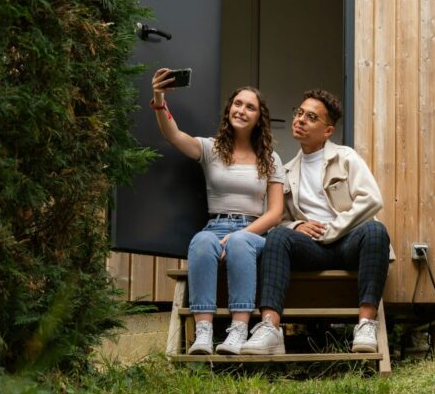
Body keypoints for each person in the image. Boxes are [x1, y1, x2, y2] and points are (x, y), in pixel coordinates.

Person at [241, 89, 390, 356]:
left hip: (347, 243)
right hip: (312, 248)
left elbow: (372, 199)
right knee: (277, 236)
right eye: (299, 113)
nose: (300, 120)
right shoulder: (287, 170)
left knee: (376, 230)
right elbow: (278, 219)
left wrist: (333, 229)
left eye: (311, 117)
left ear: (327, 130)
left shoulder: (345, 157)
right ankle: (270, 329)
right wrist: (295, 227)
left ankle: (366, 325)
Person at [150, 69, 285, 355]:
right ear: (229, 109)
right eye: (238, 104)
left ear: (259, 118)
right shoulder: (211, 149)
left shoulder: (270, 158)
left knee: (239, 241)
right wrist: (159, 99)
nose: (242, 110)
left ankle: (238, 331)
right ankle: (203, 333)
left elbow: (275, 213)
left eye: (250, 107)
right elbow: (174, 135)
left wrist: (240, 235)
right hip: (215, 227)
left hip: (253, 232)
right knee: (200, 241)